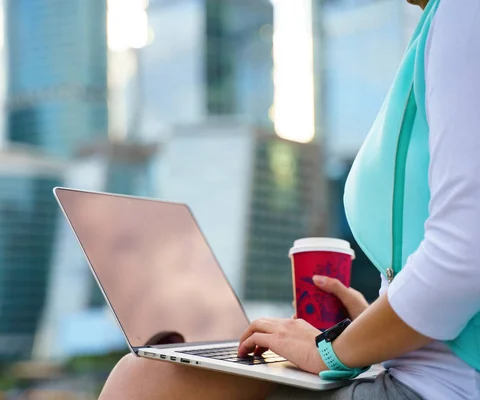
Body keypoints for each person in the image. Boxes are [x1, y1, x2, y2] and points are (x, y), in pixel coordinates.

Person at [100, 0, 480, 398]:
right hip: (429, 374)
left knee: (145, 379)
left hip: (441, 390)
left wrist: (330, 351)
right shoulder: (441, 21)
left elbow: (463, 256)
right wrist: (373, 324)